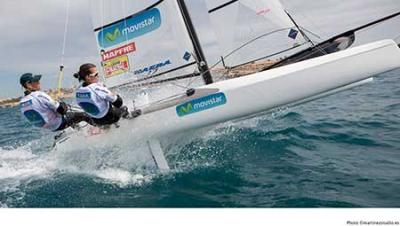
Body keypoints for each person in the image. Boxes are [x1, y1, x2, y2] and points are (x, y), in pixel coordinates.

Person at [19, 73, 93, 131]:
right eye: (36, 81)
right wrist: (62, 104)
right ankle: (102, 128)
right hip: (58, 123)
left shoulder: (22, 102)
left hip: (50, 128)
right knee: (83, 115)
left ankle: (79, 132)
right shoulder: (39, 95)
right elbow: (61, 110)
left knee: (70, 117)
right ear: (28, 84)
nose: (39, 82)